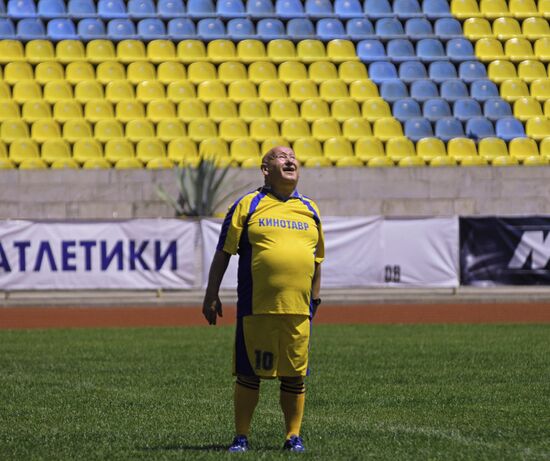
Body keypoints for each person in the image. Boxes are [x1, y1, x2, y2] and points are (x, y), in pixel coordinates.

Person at [202, 146, 324, 453]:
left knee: (294, 375)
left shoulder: (311, 209)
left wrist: (316, 300)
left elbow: (317, 260)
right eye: (281, 156)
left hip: (298, 310)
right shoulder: (248, 204)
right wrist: (211, 293)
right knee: (249, 373)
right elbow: (224, 252)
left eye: (293, 155)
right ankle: (241, 436)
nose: (290, 159)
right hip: (257, 309)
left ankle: (292, 436)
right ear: (265, 168)